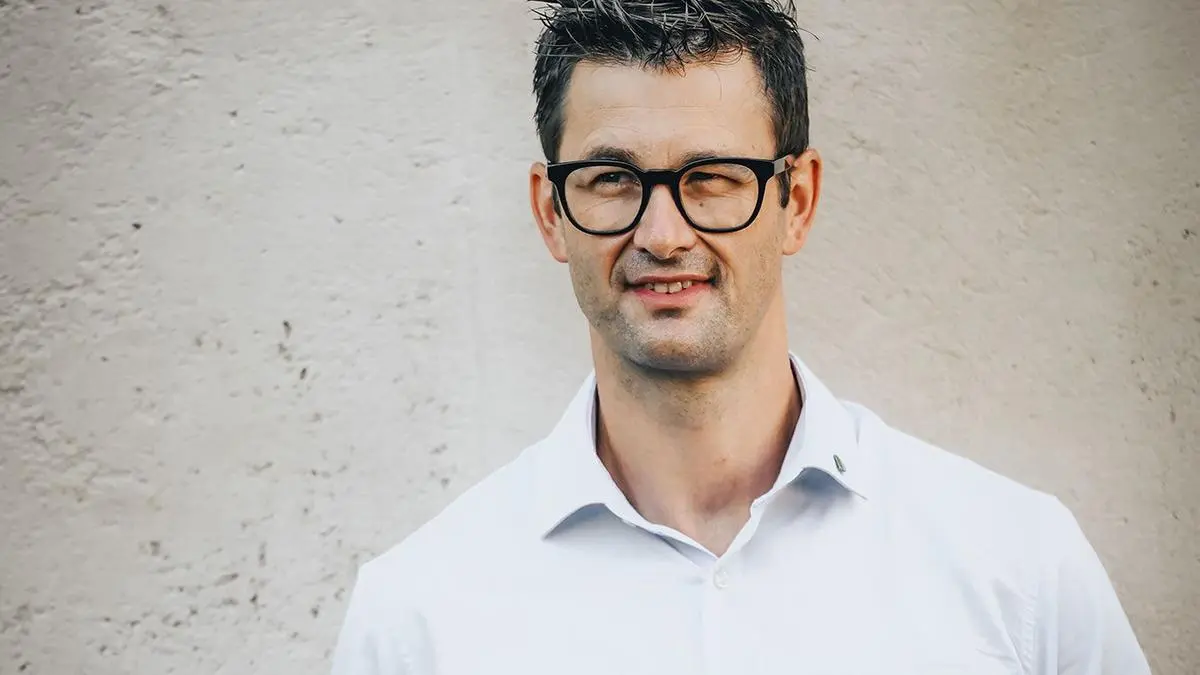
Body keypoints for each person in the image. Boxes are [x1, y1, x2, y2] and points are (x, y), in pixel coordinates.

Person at [331, 1, 1151, 673]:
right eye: (612, 178)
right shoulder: (418, 618)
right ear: (552, 212)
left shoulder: (1018, 568)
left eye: (712, 178)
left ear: (798, 200)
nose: (663, 234)